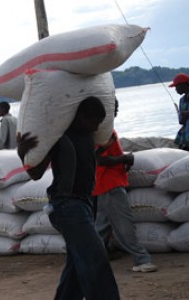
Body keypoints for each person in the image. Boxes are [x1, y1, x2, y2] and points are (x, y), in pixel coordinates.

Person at [17, 96, 120, 300]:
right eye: (94, 121)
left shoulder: (89, 135)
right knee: (95, 258)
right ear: (81, 116)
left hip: (85, 204)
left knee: (76, 264)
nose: (96, 126)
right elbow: (36, 173)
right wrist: (22, 153)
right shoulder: (59, 137)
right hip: (67, 206)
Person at [93, 99, 157, 273]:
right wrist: (125, 159)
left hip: (103, 185)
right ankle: (141, 259)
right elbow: (99, 159)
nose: (116, 112)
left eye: (117, 108)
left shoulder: (101, 131)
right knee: (124, 224)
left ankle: (87, 258)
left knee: (101, 227)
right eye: (114, 109)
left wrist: (122, 161)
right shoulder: (103, 133)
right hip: (109, 184)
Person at [169, 73, 189, 150]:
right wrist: (181, 116)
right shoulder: (182, 100)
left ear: (184, 85)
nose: (175, 89)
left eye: (176, 86)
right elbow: (181, 122)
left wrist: (186, 113)